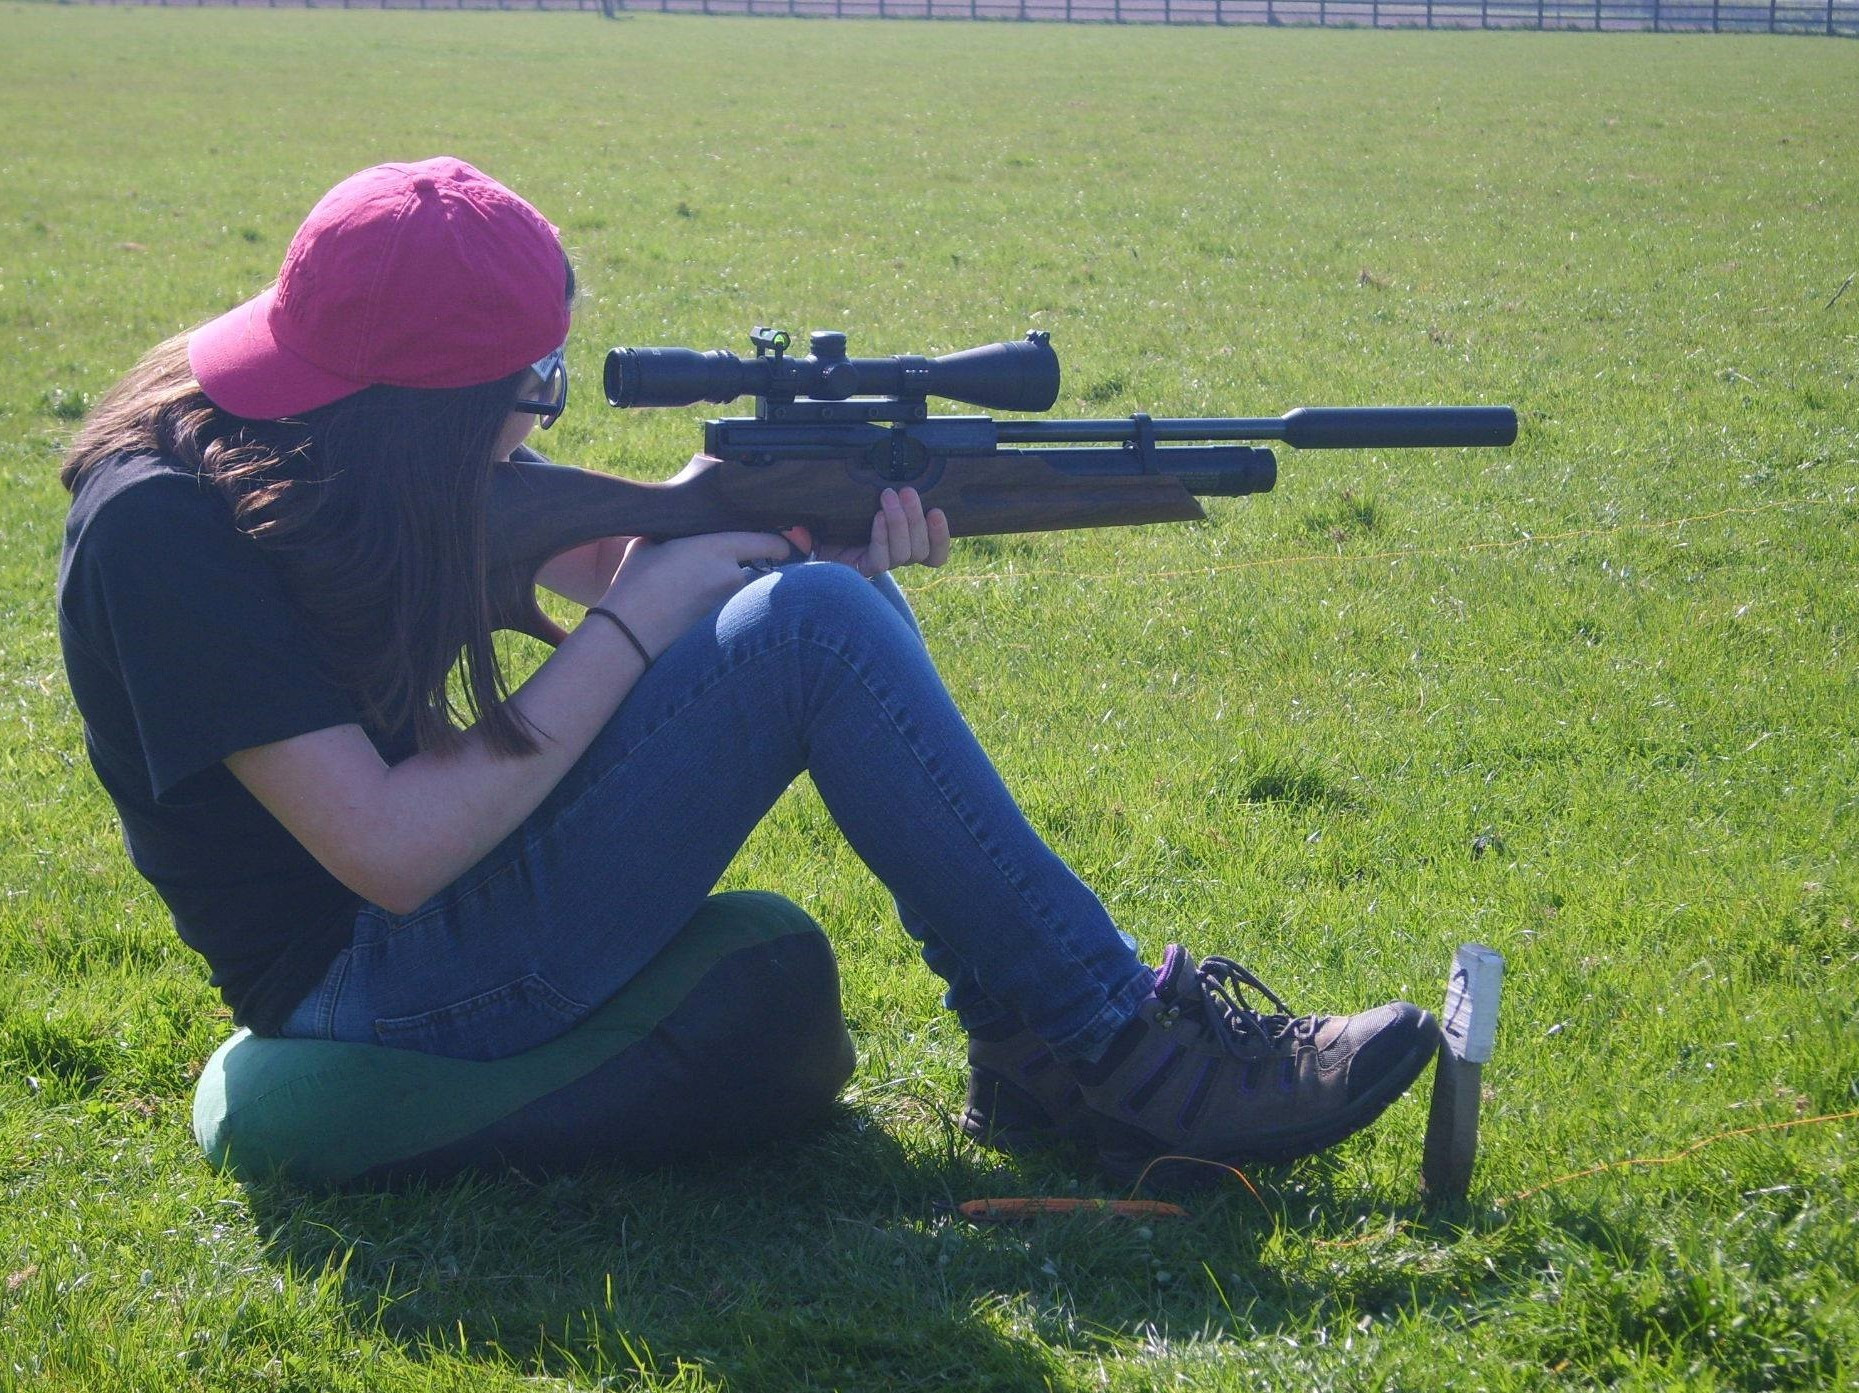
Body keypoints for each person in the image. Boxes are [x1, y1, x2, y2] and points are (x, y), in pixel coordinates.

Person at [56, 157, 1439, 1184]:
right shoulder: (161, 538)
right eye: (529, 389)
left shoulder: (329, 432)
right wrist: (644, 616)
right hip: (377, 984)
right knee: (813, 625)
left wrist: (792, 533)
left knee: (822, 605)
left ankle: (1040, 1042)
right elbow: (391, 851)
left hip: (450, 905)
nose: (541, 416)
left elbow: (622, 553)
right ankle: (1117, 1049)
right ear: (422, 408)